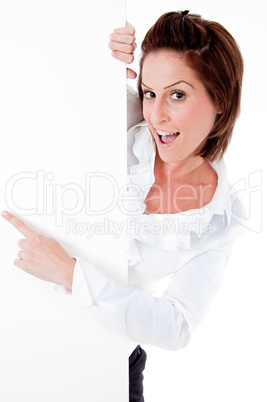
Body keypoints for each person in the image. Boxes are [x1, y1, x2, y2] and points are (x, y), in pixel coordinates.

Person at [2, 11, 245, 402]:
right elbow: (46, 79)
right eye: (150, 92)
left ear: (221, 99)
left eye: (177, 95)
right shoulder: (127, 116)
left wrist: (71, 274)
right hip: (25, 339)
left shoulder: (222, 217)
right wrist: (99, 39)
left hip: (110, 362)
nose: (156, 114)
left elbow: (177, 326)